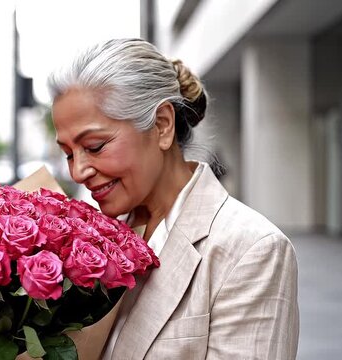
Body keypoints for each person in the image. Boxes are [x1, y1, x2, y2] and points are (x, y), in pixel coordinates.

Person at [48, 38, 299, 359]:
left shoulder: (251, 250)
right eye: (68, 153)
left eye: (95, 146)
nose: (78, 172)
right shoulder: (87, 237)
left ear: (162, 125)